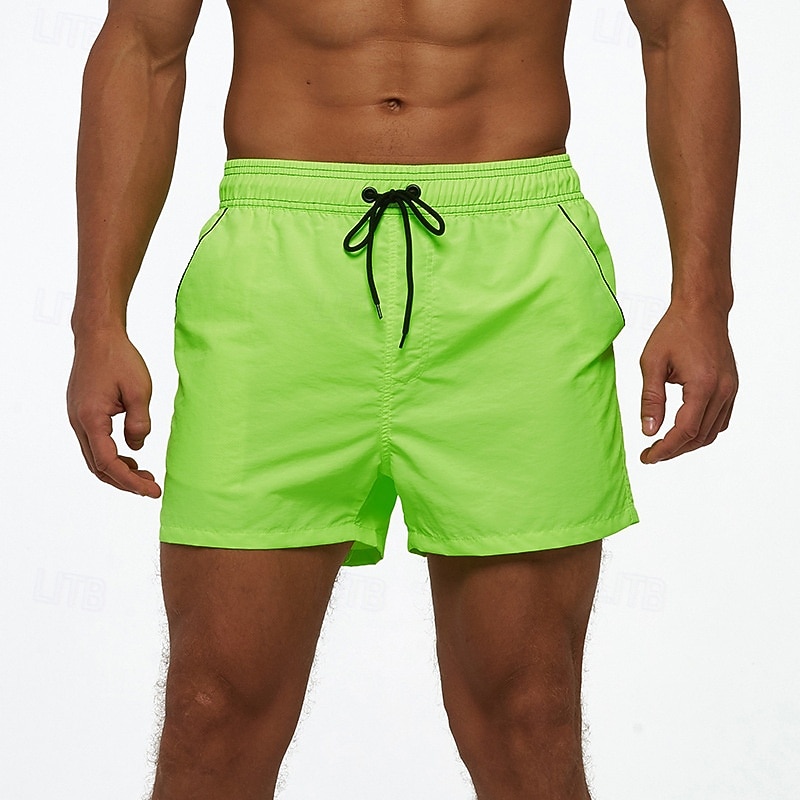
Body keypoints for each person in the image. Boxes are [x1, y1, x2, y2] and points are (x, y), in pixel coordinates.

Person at [66, 0, 739, 797]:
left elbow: (681, 22)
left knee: (531, 716)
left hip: (513, 271)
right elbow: (144, 43)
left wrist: (703, 299)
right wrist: (96, 321)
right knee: (211, 711)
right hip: (278, 274)